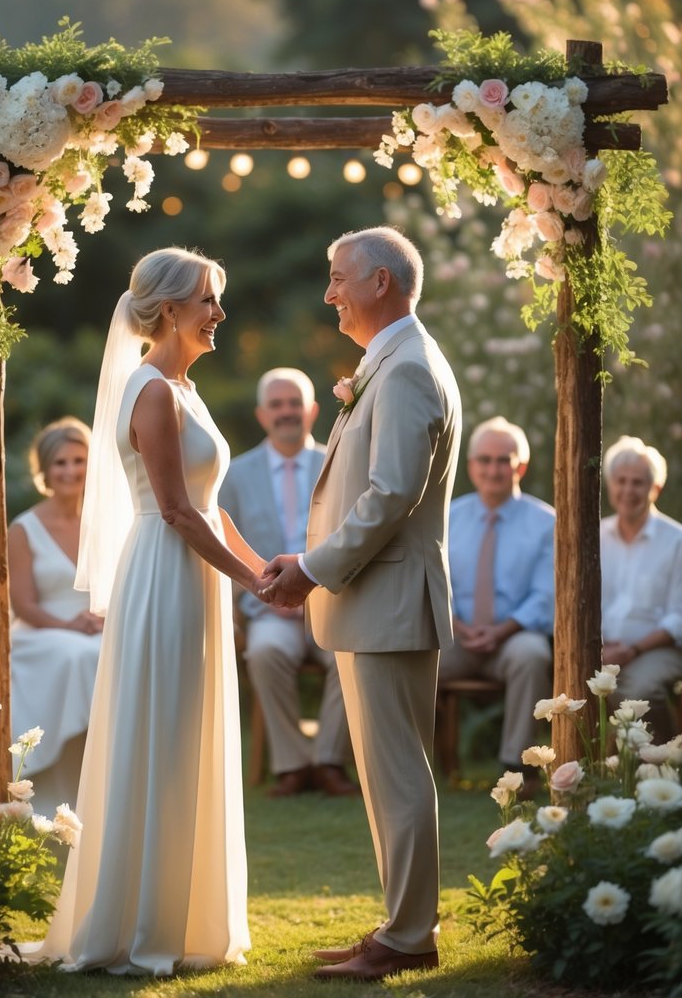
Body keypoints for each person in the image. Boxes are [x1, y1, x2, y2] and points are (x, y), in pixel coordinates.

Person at [27, 247, 267, 976]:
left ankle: (188, 917)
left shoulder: (183, 389)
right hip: (164, 574)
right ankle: (138, 924)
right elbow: (173, 511)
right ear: (168, 310)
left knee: (190, 732)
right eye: (206, 301)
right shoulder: (152, 392)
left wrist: (271, 572)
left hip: (196, 575)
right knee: (162, 734)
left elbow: (211, 509)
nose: (218, 314)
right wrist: (255, 586)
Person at [261, 225, 461, 982]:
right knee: (384, 777)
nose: (329, 294)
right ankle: (399, 924)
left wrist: (311, 568)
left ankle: (410, 938)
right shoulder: (393, 360)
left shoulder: (407, 367)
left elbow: (389, 496)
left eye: (339, 278)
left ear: (381, 282)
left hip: (389, 601)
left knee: (398, 775)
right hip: (375, 602)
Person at [219, 368, 355, 797]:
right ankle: (293, 764)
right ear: (262, 415)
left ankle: (330, 761)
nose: (286, 412)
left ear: (312, 410)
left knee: (351, 658)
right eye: (276, 405)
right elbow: (224, 546)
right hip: (269, 610)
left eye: (294, 403)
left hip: (333, 603)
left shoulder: (339, 464)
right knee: (264, 652)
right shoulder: (235, 475)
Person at [441, 417, 555, 779]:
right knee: (407, 654)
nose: (494, 469)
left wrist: (502, 632)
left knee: (533, 653)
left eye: (504, 460)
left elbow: (545, 595)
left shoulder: (546, 522)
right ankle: (413, 763)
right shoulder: (447, 516)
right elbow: (434, 582)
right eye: (485, 460)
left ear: (521, 465)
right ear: (471, 465)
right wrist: (457, 625)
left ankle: (518, 767)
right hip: (456, 636)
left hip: (512, 638)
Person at [9, 417, 102, 816]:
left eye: (79, 461)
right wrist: (68, 625)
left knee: (118, 652)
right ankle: (51, 785)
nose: (71, 471)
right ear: (45, 470)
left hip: (96, 625)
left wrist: (101, 617)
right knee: (79, 656)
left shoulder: (105, 524)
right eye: (61, 462)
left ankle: (105, 787)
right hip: (40, 632)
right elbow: (22, 604)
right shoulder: (23, 528)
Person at [601, 435, 682, 742]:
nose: (628, 490)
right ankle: (591, 772)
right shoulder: (594, 537)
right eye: (620, 481)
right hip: (601, 649)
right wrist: (602, 649)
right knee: (572, 685)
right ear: (610, 485)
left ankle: (657, 768)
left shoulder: (676, 541)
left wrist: (633, 650)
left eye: (638, 482)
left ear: (655, 488)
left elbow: (678, 617)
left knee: (638, 691)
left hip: (658, 650)